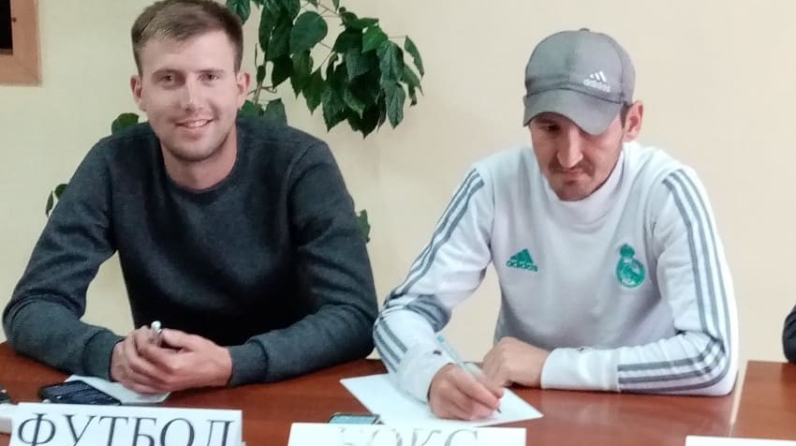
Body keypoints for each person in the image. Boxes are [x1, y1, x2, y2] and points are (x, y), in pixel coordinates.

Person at [3, 0, 378, 394]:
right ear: (140, 92)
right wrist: (112, 354)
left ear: (240, 87)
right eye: (169, 78)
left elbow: (354, 314)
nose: (192, 101)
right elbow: (33, 306)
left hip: (284, 390)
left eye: (210, 77)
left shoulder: (301, 164)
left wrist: (233, 364)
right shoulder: (113, 164)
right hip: (166, 396)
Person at [373, 28, 738, 421]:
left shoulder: (667, 191)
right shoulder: (493, 185)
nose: (568, 157)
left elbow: (713, 357)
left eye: (592, 129)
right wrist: (432, 374)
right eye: (550, 128)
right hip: (523, 413)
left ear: (632, 122)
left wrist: (549, 366)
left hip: (643, 413)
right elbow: (401, 312)